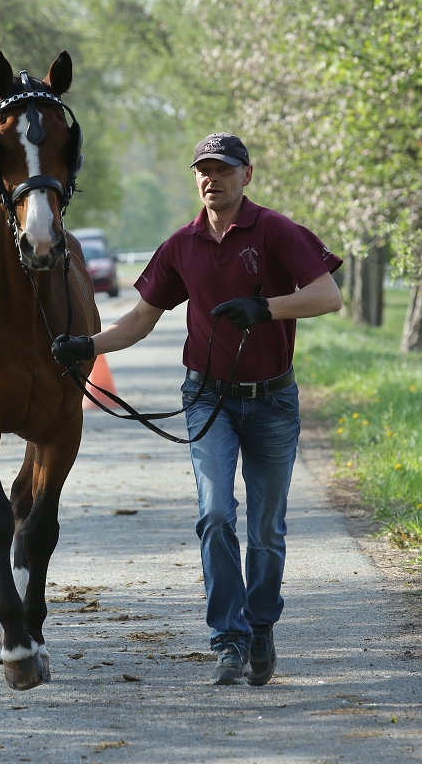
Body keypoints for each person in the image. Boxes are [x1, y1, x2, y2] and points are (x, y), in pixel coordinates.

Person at [52, 132, 343, 686]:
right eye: (203, 170)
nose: (213, 178)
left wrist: (265, 309)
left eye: (224, 169)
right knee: (214, 514)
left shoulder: (276, 231)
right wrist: (87, 346)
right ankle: (228, 640)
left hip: (273, 401)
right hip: (207, 398)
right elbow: (140, 319)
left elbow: (327, 295)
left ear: (247, 175)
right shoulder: (181, 245)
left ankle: (261, 626)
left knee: (266, 528)